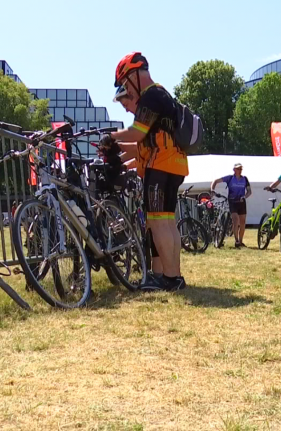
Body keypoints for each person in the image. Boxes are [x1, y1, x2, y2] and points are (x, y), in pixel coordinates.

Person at [100, 52, 188, 291]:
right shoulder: (162, 95)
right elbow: (142, 143)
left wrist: (110, 136)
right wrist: (116, 146)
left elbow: (137, 134)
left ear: (135, 75)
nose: (127, 89)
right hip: (174, 164)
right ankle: (170, 275)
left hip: (160, 166)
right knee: (167, 222)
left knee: (158, 223)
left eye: (126, 83)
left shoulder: (151, 96)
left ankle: (169, 279)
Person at [210, 163, 251, 248]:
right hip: (232, 202)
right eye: (238, 169)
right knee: (235, 221)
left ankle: (241, 241)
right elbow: (216, 181)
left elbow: (249, 191)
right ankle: (236, 241)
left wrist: (244, 197)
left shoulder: (245, 179)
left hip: (242, 202)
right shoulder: (230, 178)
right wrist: (212, 189)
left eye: (240, 169)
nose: (239, 170)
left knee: (242, 222)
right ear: (234, 170)